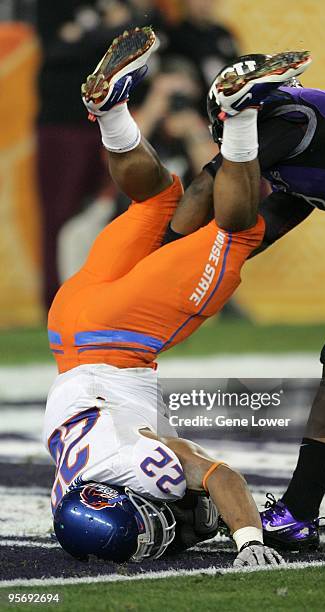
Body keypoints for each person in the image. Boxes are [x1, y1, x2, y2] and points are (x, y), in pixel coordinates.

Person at [44, 28, 309, 566]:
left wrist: (249, 542)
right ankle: (113, 114)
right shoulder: (70, 501)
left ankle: (240, 115)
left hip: (120, 337)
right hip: (68, 326)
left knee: (238, 233)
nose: (164, 531)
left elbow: (219, 477)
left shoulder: (140, 473)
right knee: (157, 200)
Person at [171, 53, 325, 556]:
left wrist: (153, 254)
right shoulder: (296, 153)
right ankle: (298, 514)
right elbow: (247, 238)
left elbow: (203, 192)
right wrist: (182, 281)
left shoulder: (290, 117)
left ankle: (299, 512)